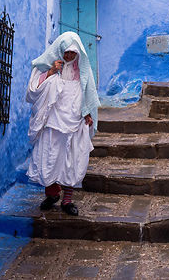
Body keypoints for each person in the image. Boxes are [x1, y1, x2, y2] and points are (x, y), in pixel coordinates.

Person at [25, 32, 99, 216]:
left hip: (74, 122)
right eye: (65, 52)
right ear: (59, 50)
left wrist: (88, 114)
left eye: (72, 53)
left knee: (71, 161)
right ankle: (52, 194)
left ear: (78, 53)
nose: (68, 56)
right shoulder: (46, 67)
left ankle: (67, 201)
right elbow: (33, 92)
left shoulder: (83, 71)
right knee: (48, 158)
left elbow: (88, 95)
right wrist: (50, 72)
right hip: (52, 122)